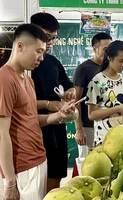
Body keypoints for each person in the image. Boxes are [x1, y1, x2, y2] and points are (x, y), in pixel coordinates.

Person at [0, 23, 75, 200]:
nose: (41, 58)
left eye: (43, 52)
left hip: (39, 158)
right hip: (23, 166)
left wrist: (59, 115)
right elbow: (2, 134)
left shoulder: (28, 80)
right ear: (20, 46)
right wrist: (10, 182)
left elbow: (31, 119)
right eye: (38, 51)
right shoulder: (4, 79)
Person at [30, 12, 76, 192]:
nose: (49, 43)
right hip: (33, 130)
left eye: (53, 38)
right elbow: (20, 105)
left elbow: (68, 86)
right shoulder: (21, 68)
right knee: (34, 185)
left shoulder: (53, 62)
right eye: (45, 37)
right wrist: (48, 104)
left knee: (55, 177)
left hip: (56, 128)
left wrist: (69, 94)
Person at [86, 40, 123, 146]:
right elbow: (91, 115)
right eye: (120, 61)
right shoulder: (97, 81)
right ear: (109, 58)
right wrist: (118, 108)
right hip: (105, 140)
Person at [73, 33, 112, 150]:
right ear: (95, 49)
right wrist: (79, 129)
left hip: (107, 125)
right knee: (87, 163)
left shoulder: (110, 69)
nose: (108, 53)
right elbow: (76, 101)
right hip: (88, 127)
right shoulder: (83, 69)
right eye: (105, 49)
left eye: (110, 49)